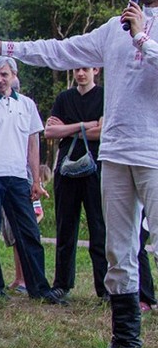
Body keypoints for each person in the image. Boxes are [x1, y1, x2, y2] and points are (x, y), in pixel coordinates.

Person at [0, 0, 158, 348]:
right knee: (117, 247)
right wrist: (8, 48)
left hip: (153, 151)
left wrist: (143, 35)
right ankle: (125, 343)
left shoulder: (138, 29)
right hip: (116, 153)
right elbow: (60, 50)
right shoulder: (113, 30)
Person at [0, 57, 64, 304]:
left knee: (29, 232)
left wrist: (35, 181)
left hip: (19, 177)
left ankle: (39, 288)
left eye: (4, 74)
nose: (0, 79)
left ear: (13, 75)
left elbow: (33, 144)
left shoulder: (27, 105)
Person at [42, 67, 106, 299]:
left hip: (95, 169)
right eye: (77, 69)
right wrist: (85, 126)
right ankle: (62, 284)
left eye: (85, 69)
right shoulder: (64, 98)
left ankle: (104, 287)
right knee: (65, 227)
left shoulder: (104, 96)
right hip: (66, 171)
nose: (81, 73)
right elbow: (50, 132)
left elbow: (104, 132)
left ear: (95, 70)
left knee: (99, 228)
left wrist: (67, 129)